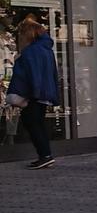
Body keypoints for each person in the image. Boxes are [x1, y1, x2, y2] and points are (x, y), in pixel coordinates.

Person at [6, 16, 60, 170]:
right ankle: (45, 155)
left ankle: (45, 155)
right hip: (44, 93)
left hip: (35, 94)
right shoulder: (45, 49)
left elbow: (29, 75)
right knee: (38, 123)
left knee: (32, 122)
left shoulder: (31, 52)